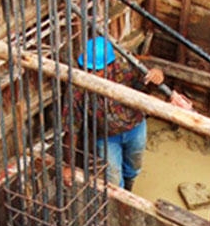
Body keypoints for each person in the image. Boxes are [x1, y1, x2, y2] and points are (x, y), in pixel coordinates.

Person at [64, 36, 193, 191]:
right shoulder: (78, 87)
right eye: (86, 68)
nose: (90, 74)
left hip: (135, 128)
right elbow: (71, 128)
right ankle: (120, 203)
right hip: (106, 137)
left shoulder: (125, 70)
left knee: (133, 169)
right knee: (112, 179)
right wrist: (68, 165)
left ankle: (129, 189)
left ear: (110, 66)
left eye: (96, 70)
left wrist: (157, 74)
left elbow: (150, 80)